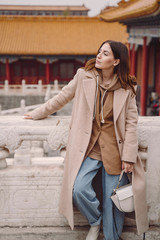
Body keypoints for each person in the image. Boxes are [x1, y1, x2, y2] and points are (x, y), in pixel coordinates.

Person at [24, 40, 148, 240]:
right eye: (99, 52)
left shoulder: (127, 87)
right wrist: (38, 112)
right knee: (79, 189)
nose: (98, 56)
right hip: (88, 148)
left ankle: (111, 237)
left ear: (116, 61)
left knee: (112, 201)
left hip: (115, 152)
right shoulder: (84, 76)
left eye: (105, 53)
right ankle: (95, 221)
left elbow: (130, 124)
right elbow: (62, 97)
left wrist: (129, 157)